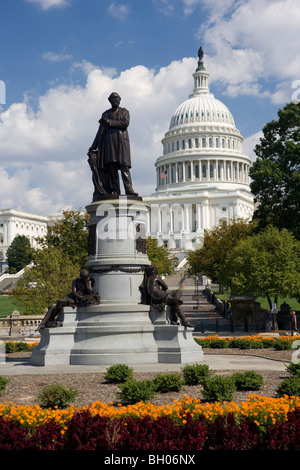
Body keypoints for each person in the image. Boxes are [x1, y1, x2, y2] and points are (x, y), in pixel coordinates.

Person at [88, 92, 138, 197]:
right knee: (112, 168)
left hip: (121, 143)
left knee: (124, 167)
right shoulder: (105, 114)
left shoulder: (124, 111)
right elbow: (100, 131)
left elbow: (125, 123)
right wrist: (93, 146)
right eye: (113, 98)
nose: (115, 100)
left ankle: (129, 189)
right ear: (109, 100)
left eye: (117, 98)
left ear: (120, 100)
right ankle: (116, 191)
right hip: (109, 144)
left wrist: (109, 123)